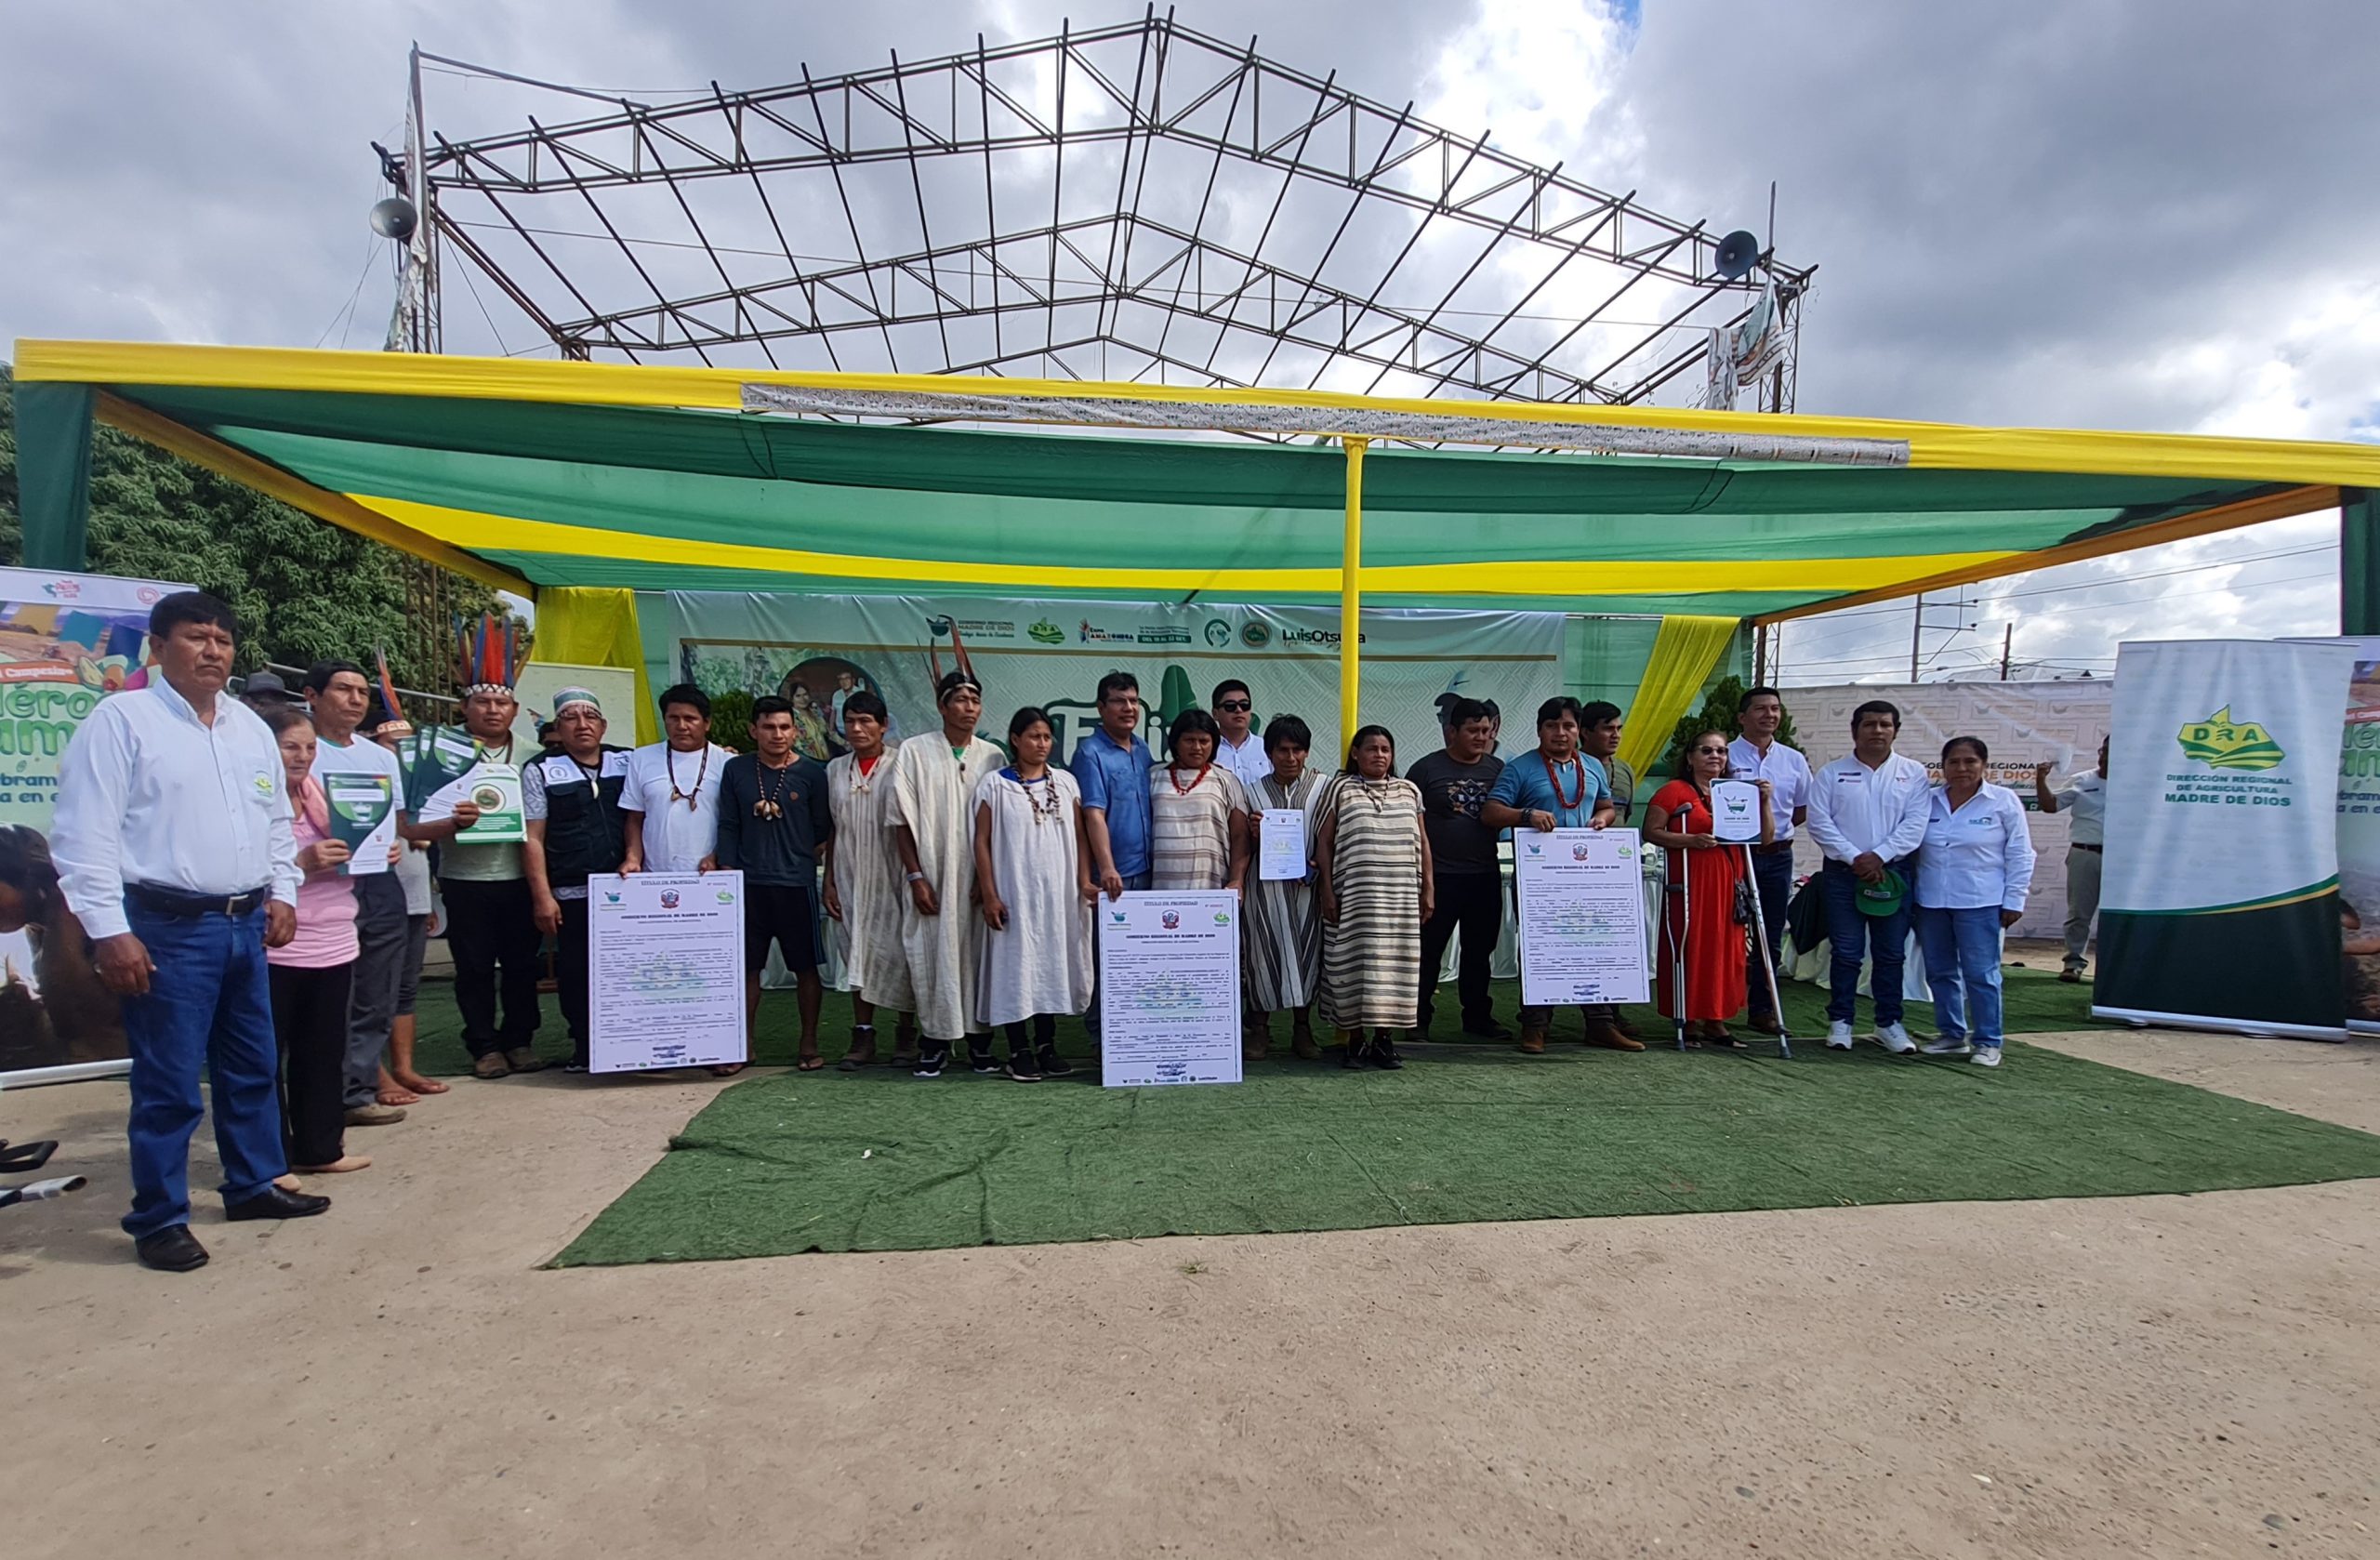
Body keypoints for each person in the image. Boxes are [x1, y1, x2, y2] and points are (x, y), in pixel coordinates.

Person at [51, 590, 327, 1272]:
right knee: (170, 1082)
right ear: (157, 647)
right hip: (165, 926)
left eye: (222, 641)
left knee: (250, 1066)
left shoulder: (248, 727)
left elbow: (273, 821)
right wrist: (109, 931)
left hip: (245, 923)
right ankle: (159, 1218)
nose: (212, 651)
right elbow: (84, 836)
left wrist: (283, 890)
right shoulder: (122, 722)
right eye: (196, 637)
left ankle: (253, 1183)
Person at [401, 620, 542, 1079]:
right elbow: (413, 822)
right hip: (465, 878)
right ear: (465, 706)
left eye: (501, 703)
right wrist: (450, 822)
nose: (493, 710)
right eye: (483, 701)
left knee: (522, 966)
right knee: (474, 967)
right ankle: (483, 1046)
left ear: (514, 708)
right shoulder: (442, 752)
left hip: (520, 877)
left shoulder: (534, 754)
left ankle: (519, 1040)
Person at [297, 659, 414, 1126]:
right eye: (343, 689)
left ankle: (356, 1092)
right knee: (327, 996)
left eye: (363, 692)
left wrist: (398, 841)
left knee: (377, 993)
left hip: (378, 882)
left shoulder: (380, 758)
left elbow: (399, 822)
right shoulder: (299, 752)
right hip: (318, 887)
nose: (355, 700)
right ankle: (317, 1098)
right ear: (312, 696)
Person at [1482, 696, 1632, 1055]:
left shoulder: (1592, 766)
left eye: (1568, 726)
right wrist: (1526, 815)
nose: (1560, 733)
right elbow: (1490, 812)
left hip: (1587, 874)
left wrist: (1602, 820)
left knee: (1592, 946)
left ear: (1579, 731)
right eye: (1552, 726)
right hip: (1540, 877)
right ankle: (1535, 1025)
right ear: (1539, 730)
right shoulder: (1520, 768)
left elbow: (1607, 806)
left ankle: (1601, 1024)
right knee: (1541, 948)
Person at [259, 706, 371, 1175]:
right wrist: (301, 862)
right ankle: (270, 1162)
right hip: (276, 945)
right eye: (290, 746)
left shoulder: (326, 798)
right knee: (265, 1059)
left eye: (309, 747)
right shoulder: (253, 803)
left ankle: (321, 1150)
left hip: (334, 940)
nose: (302, 756)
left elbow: (359, 847)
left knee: (323, 1053)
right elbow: (238, 870)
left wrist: (374, 849)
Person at [888, 671, 1006, 1077]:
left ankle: (980, 1044)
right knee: (931, 956)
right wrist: (916, 877)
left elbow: (1002, 827)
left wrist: (986, 882)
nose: (969, 708)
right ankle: (935, 1042)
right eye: (960, 699)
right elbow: (900, 820)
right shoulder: (914, 751)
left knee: (977, 959)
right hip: (932, 877)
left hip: (978, 882)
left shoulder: (993, 756)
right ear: (941, 706)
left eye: (975, 700)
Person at [713, 694, 835, 1073]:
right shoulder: (736, 769)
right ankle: (743, 1045)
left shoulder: (812, 773)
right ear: (754, 730)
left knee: (806, 967)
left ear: (795, 731)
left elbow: (822, 828)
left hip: (796, 884)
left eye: (784, 727)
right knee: (747, 968)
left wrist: (798, 858)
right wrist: (728, 870)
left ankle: (809, 1042)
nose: (777, 734)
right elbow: (728, 823)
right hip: (748, 885)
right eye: (768, 727)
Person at [972, 707, 1094, 1081]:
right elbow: (981, 842)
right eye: (1033, 736)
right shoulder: (995, 785)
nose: (1042, 744)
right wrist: (990, 895)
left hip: (1058, 895)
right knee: (1016, 968)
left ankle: (1046, 1045)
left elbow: (1081, 837)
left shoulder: (1066, 782)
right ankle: (1018, 1050)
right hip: (1014, 894)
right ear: (1015, 739)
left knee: (1050, 967)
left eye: (1046, 737)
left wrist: (1084, 881)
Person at [1805, 699, 1932, 1053]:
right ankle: (1841, 1022)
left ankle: (1888, 1024)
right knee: (1847, 952)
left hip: (1893, 874)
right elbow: (1819, 822)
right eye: (1869, 724)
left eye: (1885, 725)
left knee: (1890, 954)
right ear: (1854, 730)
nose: (1877, 731)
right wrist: (1855, 858)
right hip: (1843, 875)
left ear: (1895, 731)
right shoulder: (1832, 773)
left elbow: (1915, 824)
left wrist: (1880, 856)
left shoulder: (1913, 773)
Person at [522, 689, 630, 1073]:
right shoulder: (540, 770)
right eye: (571, 718)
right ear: (558, 727)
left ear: (603, 725)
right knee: (577, 972)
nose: (582, 725)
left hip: (627, 890)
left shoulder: (627, 760)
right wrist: (542, 895)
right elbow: (532, 837)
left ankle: (631, 1044)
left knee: (628, 970)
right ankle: (585, 1045)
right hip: (572, 891)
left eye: (590, 717)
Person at [1646, 730, 1775, 1045]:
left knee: (1726, 951)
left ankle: (1716, 1019)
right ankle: (1688, 1019)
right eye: (1707, 750)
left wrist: (1765, 802)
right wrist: (1690, 840)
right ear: (1690, 757)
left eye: (1721, 751)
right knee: (1693, 947)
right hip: (1691, 882)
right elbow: (1651, 831)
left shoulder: (1737, 791)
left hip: (1729, 883)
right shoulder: (1674, 791)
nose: (1715, 756)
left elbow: (1765, 838)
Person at [1316, 726, 1433, 1069]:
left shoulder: (1409, 790)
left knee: (1393, 966)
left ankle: (1384, 1041)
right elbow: (1324, 842)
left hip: (1400, 898)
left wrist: (1428, 888)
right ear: (1356, 753)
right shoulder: (1340, 789)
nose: (1379, 755)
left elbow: (1423, 842)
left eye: (1385, 749)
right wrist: (1326, 890)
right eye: (1371, 748)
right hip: (1354, 897)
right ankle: (1355, 1041)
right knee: (1351, 964)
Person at [1918, 736, 2037, 1067]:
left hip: (1980, 901)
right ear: (1943, 767)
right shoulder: (1927, 801)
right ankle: (1951, 1035)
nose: (1961, 768)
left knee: (1981, 974)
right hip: (1931, 901)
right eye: (1953, 762)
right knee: (1940, 972)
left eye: (1970, 761)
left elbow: (2020, 854)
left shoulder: (2003, 801)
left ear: (1984, 765)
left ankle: (1987, 1041)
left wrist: (2015, 899)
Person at [822, 690, 917, 1069]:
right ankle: (863, 1034)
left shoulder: (901, 764)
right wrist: (829, 880)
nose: (857, 729)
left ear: (883, 725)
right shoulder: (834, 769)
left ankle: (907, 1032)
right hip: (849, 875)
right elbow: (833, 827)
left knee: (900, 953)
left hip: (893, 875)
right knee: (856, 952)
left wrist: (916, 876)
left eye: (866, 721)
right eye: (850, 721)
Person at [1407, 697, 1509, 1041]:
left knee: (1480, 951)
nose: (1481, 737)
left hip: (1484, 875)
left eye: (1486, 730)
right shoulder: (1425, 770)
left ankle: (1477, 1017)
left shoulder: (1498, 769)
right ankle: (1417, 1019)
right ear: (1452, 731)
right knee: (1429, 952)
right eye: (1473, 730)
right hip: (1440, 878)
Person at [364, 705, 444, 1101]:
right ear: (373, 743)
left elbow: (422, 847)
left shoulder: (418, 786)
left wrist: (426, 900)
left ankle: (404, 1067)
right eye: (394, 743)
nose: (402, 751)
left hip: (414, 895)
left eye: (408, 744)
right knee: (372, 990)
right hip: (373, 899)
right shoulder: (364, 781)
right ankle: (371, 1073)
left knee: (406, 987)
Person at [1071, 670, 1156, 1048]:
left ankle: (1135, 1033)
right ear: (1101, 708)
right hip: (1113, 879)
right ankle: (1101, 1039)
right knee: (1106, 959)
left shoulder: (1142, 749)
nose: (1128, 708)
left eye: (1134, 701)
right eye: (1119, 701)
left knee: (1139, 961)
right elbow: (1093, 814)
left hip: (1147, 871)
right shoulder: (1089, 753)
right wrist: (1106, 867)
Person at [1727, 686, 1814, 1037]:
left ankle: (1763, 1009)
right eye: (1761, 709)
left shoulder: (1793, 760)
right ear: (1742, 717)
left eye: (1775, 709)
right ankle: (1715, 1010)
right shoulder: (1725, 754)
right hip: (1734, 855)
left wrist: (1771, 833)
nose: (1770, 715)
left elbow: (1802, 808)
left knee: (1770, 934)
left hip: (1777, 856)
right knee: (1726, 933)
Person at [1241, 715, 1327, 1061]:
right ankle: (1260, 1031)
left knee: (1307, 955)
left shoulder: (1323, 788)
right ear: (1269, 752)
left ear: (1307, 752)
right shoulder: (1252, 792)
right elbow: (1241, 844)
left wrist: (1320, 864)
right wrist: (1254, 833)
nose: (1290, 758)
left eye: (1297, 750)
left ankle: (1302, 1030)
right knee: (1261, 956)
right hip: (1265, 891)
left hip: (1308, 889)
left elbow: (1330, 836)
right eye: (1282, 750)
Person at [620, 683, 737, 876]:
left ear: (707, 723)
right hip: (655, 875)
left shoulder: (728, 763)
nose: (681, 726)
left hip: (710, 875)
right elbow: (635, 818)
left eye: (690, 719)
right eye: (673, 718)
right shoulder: (641, 758)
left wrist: (718, 856)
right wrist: (633, 858)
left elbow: (735, 823)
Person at [1148, 707, 1251, 892]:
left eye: (1204, 741)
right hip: (1161, 890)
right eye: (1189, 740)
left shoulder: (1226, 780)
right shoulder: (1153, 777)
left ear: (1214, 743)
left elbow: (1240, 836)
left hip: (1212, 889)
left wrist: (1237, 880)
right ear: (1175, 742)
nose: (1197, 747)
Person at [2036, 737, 2109, 984]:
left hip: (2122, 859)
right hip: (2085, 854)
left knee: (2117, 915)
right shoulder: (2082, 780)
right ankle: (2073, 963)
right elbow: (2050, 806)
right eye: (2104, 750)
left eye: (2113, 751)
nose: (2106, 756)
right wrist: (2041, 780)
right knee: (2079, 913)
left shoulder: (2137, 784)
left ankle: (2112, 967)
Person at [1211, 679, 1272, 789]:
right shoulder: (1207, 749)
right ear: (1215, 714)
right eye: (1230, 706)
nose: (1239, 710)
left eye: (1244, 705)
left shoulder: (1267, 746)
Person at [1580, 702, 1634, 825]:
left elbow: (1624, 815)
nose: (1616, 735)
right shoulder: (1569, 768)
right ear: (1586, 732)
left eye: (1619, 729)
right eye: (1608, 729)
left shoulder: (1624, 769)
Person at [787, 681, 834, 761]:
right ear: (791, 698)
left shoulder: (814, 712)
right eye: (798, 696)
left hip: (824, 759)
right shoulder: (790, 718)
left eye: (805, 694)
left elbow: (829, 732)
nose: (803, 699)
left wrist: (847, 744)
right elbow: (797, 746)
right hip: (806, 761)